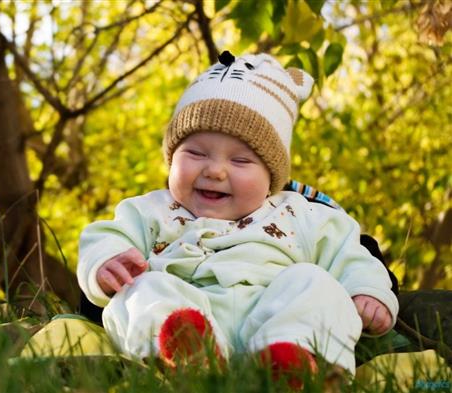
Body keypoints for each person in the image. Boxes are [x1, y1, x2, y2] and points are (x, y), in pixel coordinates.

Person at [77, 51, 398, 382]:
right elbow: (106, 236)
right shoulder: (149, 210)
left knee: (315, 283)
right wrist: (105, 262)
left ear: (271, 176)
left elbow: (350, 255)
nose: (214, 170)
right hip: (187, 311)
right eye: (196, 153)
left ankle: (292, 361)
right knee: (140, 290)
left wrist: (367, 292)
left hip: (273, 316)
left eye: (241, 161)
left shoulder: (300, 213)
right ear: (171, 159)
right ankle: (184, 354)